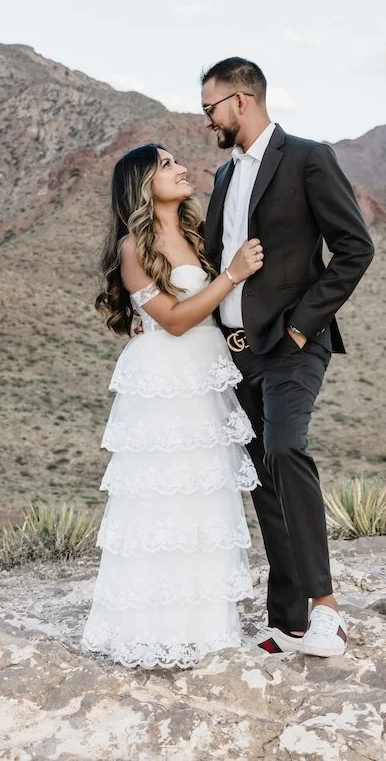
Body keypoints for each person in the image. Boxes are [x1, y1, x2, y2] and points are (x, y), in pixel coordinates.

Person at [200, 58, 374, 657]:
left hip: (292, 346)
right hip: (236, 354)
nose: (207, 121)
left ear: (241, 99)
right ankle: (287, 622)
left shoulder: (307, 157)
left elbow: (355, 247)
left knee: (285, 449)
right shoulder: (223, 178)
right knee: (263, 480)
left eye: (210, 109)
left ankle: (327, 612)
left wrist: (302, 328)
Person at [80, 142, 264, 669]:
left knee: (204, 494)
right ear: (143, 183)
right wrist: (232, 274)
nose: (181, 168)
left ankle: (204, 625)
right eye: (166, 164)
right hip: (165, 377)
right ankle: (148, 627)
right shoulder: (132, 248)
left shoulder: (196, 234)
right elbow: (175, 319)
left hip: (206, 374)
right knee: (164, 496)